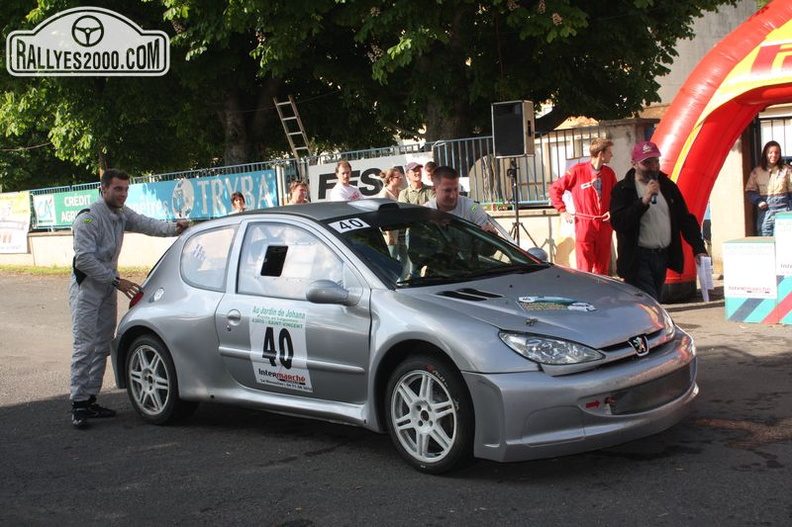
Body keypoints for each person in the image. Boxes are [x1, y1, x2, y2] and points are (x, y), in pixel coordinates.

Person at [69, 169, 188, 429]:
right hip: (88, 288)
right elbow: (84, 260)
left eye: (125, 190)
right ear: (104, 190)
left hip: (108, 286)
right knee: (85, 345)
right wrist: (117, 282)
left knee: (102, 345)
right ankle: (78, 404)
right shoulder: (87, 219)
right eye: (117, 189)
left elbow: (147, 224)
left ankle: (90, 399)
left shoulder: (121, 214)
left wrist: (174, 229)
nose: (122, 194)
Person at [610, 141, 708, 301]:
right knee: (650, 303)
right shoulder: (623, 189)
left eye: (656, 161)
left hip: (661, 256)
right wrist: (644, 200)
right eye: (647, 162)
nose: (653, 167)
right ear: (634, 164)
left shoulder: (668, 186)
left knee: (652, 303)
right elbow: (619, 222)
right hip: (638, 258)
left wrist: (698, 247)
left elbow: (685, 219)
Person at [549, 138, 617, 274]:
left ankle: (602, 294)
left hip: (604, 224)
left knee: (602, 268)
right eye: (609, 152)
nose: (612, 155)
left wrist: (612, 211)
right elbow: (555, 189)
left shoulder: (609, 173)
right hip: (585, 224)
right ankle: (586, 292)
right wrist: (562, 210)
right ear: (600, 154)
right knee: (584, 267)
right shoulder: (577, 171)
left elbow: (616, 196)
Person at [424, 165, 497, 233]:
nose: (453, 195)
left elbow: (486, 240)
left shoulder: (473, 208)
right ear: (434, 189)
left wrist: (492, 233)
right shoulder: (425, 212)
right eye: (447, 190)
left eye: (456, 189)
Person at [744, 140, 792, 236]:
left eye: (776, 152)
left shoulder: (787, 170)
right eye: (770, 152)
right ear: (765, 154)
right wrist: (758, 201)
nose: (773, 155)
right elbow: (749, 191)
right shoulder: (757, 171)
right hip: (765, 212)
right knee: (765, 237)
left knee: (784, 239)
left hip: (783, 212)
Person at [376, 168, 407, 259]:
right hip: (392, 233)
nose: (401, 179)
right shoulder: (384, 194)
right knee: (392, 258)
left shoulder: (400, 191)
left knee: (405, 260)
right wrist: (389, 235)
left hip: (402, 231)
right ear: (390, 179)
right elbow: (383, 216)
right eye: (398, 177)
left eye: (401, 177)